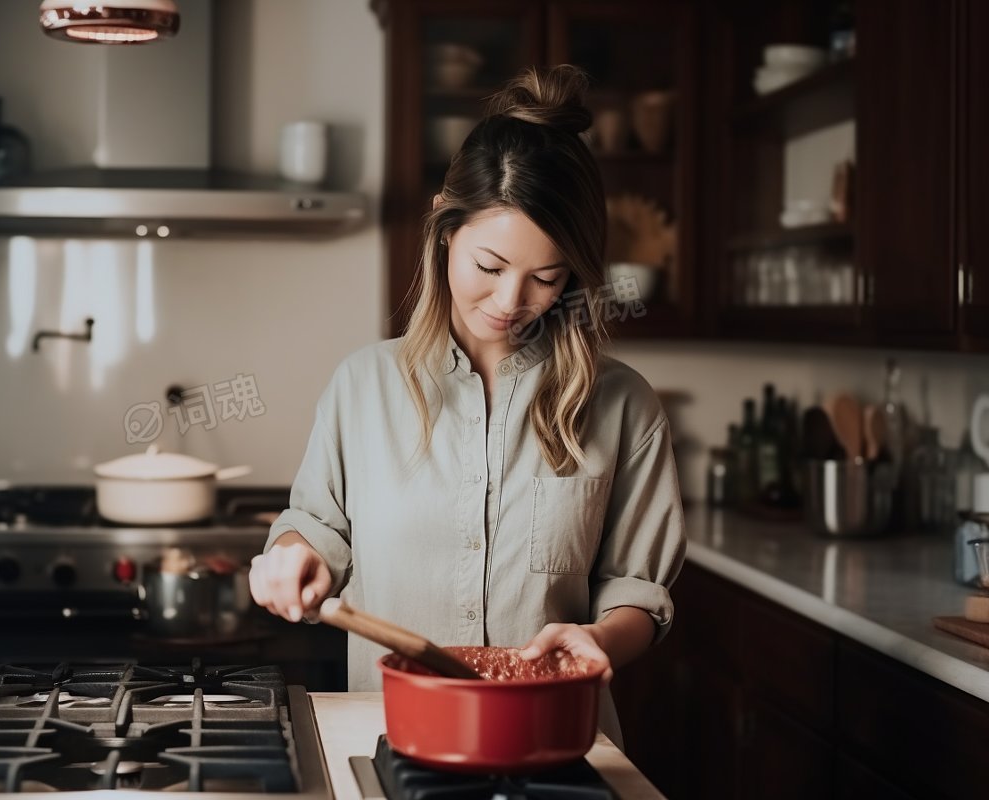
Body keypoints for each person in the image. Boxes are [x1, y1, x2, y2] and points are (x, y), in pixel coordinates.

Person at [249, 64, 686, 747]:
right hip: (394, 742)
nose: (512, 303)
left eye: (547, 277)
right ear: (445, 230)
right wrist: (294, 554)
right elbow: (317, 529)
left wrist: (600, 636)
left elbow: (638, 588)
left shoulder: (623, 405)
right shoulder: (361, 386)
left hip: (557, 743)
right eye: (490, 267)